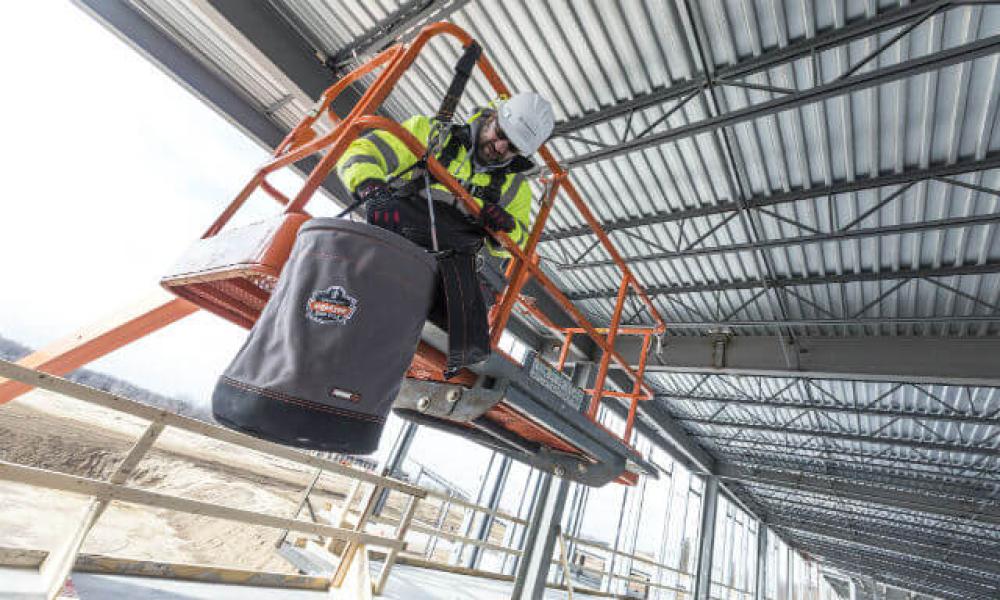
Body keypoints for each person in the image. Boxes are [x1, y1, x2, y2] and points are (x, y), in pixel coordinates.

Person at [335, 92, 555, 374]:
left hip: (451, 263)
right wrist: (370, 189)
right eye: (500, 133)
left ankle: (434, 370)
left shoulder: (517, 190)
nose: (499, 146)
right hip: (398, 237)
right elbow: (361, 153)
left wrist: (508, 227)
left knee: (468, 334)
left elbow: (519, 243)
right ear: (491, 117)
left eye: (510, 147)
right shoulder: (431, 134)